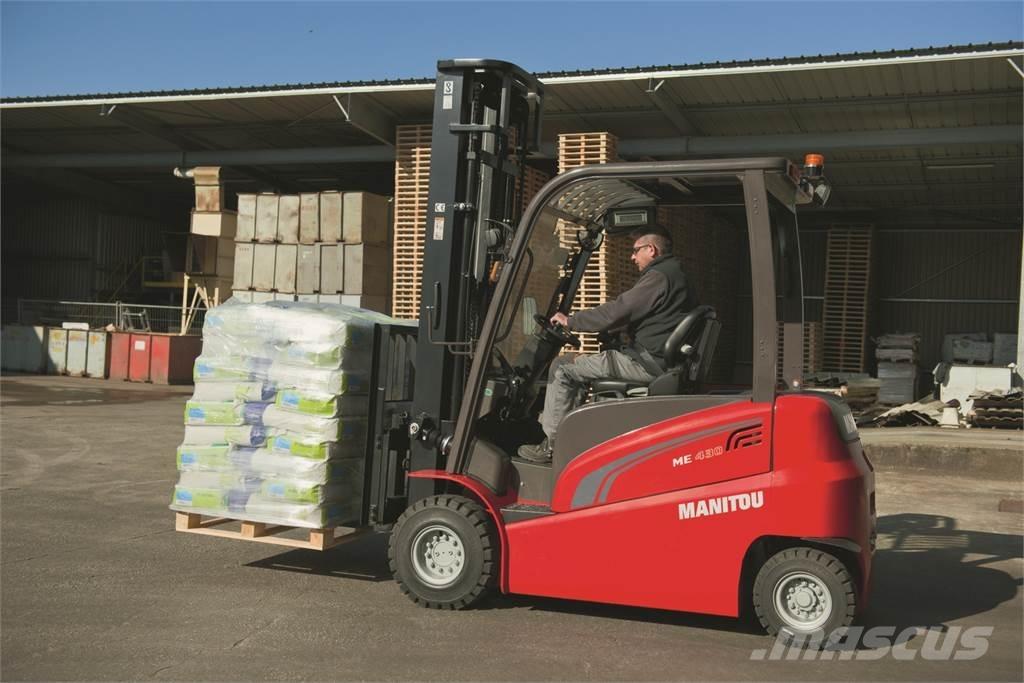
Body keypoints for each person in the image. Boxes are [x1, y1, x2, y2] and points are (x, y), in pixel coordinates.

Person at [517, 225, 699, 463]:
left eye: (636, 250)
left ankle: (553, 446)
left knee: (562, 367)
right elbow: (648, 316)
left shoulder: (659, 276)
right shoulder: (676, 274)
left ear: (651, 249)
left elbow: (619, 310)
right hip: (658, 360)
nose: (632, 257)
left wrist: (571, 321)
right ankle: (575, 438)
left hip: (645, 363)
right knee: (580, 367)